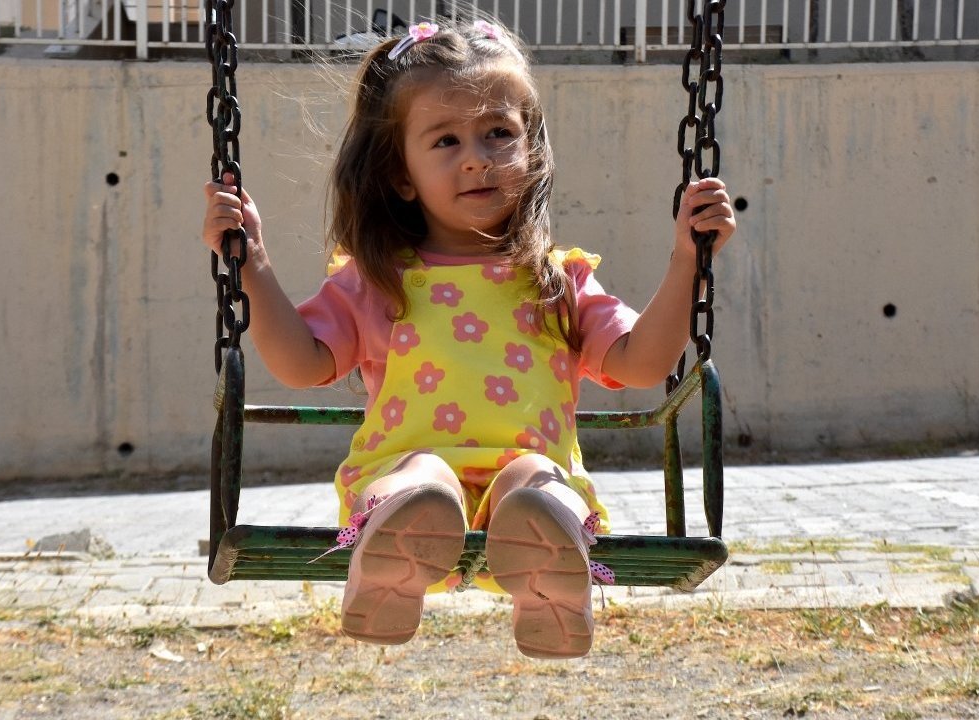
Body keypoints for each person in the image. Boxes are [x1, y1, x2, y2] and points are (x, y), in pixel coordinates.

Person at [201, 18, 735, 659]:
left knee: (536, 479)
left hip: (526, 493)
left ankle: (547, 584)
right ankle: (395, 563)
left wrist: (687, 262)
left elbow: (643, 364)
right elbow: (301, 363)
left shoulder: (558, 281)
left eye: (499, 133)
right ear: (401, 174)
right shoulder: (378, 281)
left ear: (531, 148)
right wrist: (252, 264)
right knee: (422, 477)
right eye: (446, 140)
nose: (477, 157)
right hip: (402, 474)